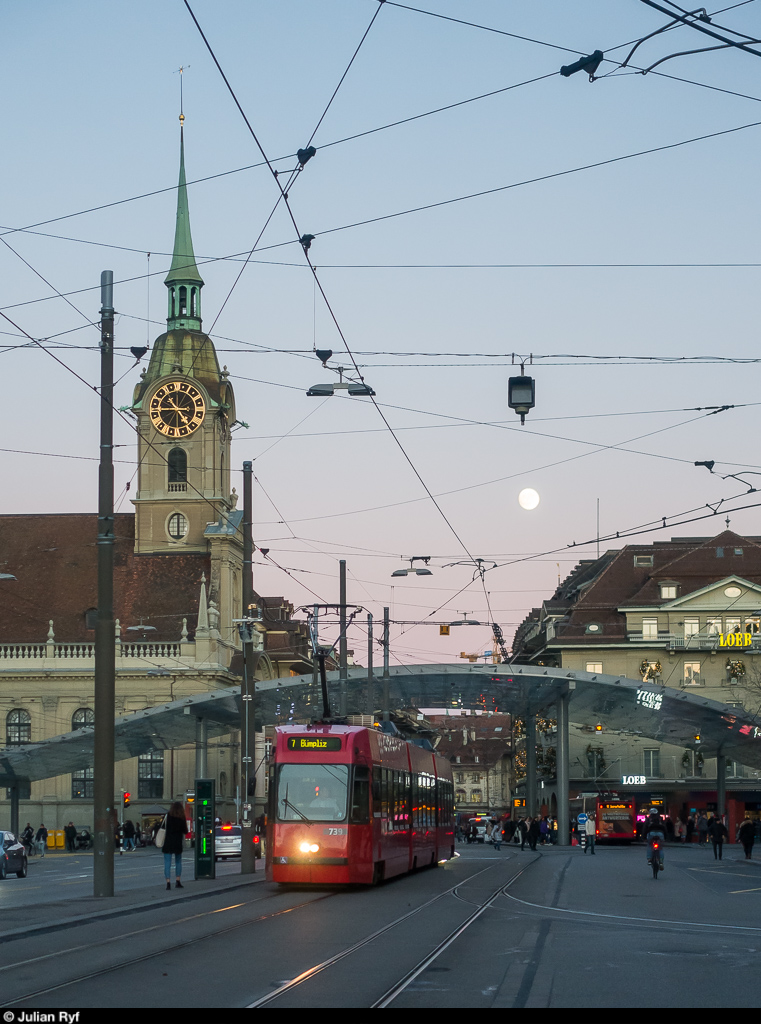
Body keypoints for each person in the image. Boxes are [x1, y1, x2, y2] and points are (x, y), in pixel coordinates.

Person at [162, 801, 189, 890]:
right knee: (178, 862)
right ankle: (178, 881)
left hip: (168, 842)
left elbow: (163, 827)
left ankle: (168, 882)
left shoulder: (168, 816)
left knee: (167, 863)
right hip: (177, 842)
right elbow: (185, 831)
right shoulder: (181, 817)